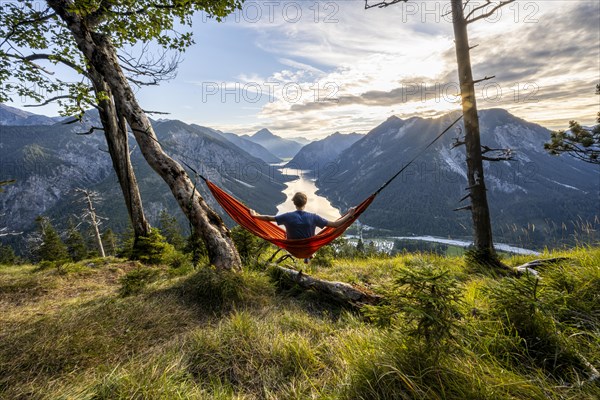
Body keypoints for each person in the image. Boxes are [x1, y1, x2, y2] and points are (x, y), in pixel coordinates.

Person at [250, 192, 357, 240]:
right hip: (309, 245)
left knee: (286, 236)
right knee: (311, 237)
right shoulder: (314, 217)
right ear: (305, 203)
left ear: (294, 202)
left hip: (292, 245)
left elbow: (269, 218)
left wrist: (255, 216)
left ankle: (304, 253)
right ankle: (309, 254)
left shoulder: (287, 216)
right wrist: (350, 214)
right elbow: (335, 224)